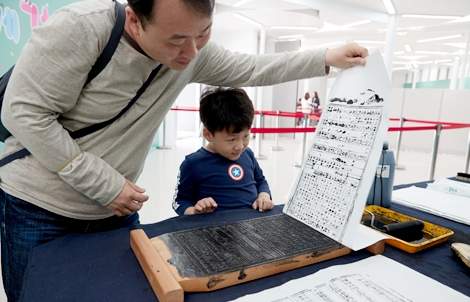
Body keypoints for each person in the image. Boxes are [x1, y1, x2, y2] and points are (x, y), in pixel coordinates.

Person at [0, 0, 368, 299]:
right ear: (134, 20)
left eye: (203, 33)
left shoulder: (192, 52)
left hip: (116, 209)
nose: (191, 53)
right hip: (39, 209)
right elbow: (24, 113)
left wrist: (325, 58)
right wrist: (105, 185)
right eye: (176, 40)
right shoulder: (82, 28)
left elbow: (254, 67)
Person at [172, 87, 273, 216]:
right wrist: (195, 211)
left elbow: (260, 181)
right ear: (208, 135)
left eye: (246, 136)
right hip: (216, 230)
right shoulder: (193, 163)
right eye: (231, 139)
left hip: (252, 226)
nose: (240, 146)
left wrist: (264, 196)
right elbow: (179, 201)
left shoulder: (247, 154)